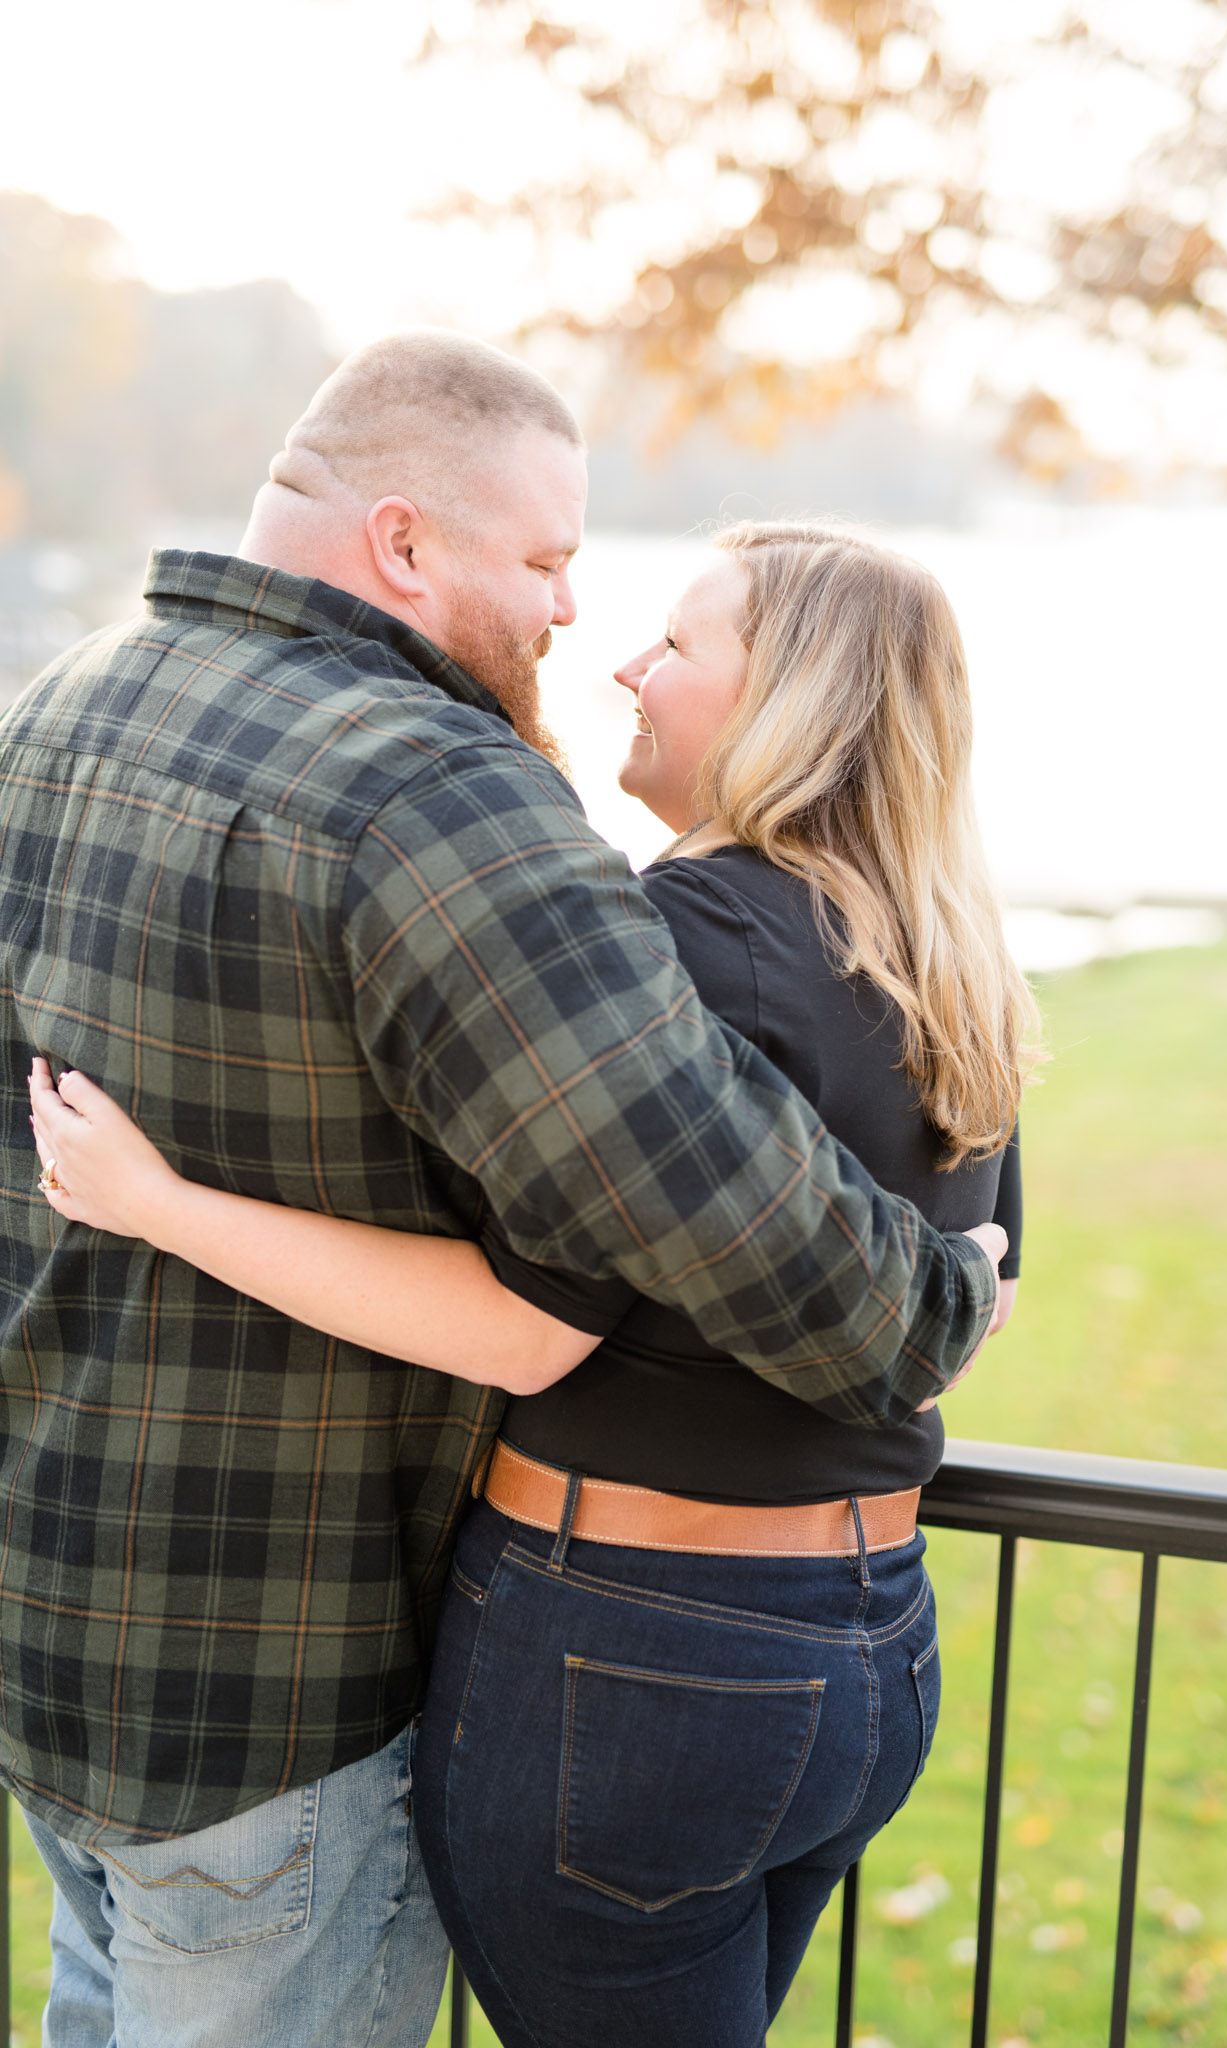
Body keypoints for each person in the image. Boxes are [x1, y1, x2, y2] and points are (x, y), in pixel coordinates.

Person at [0, 334, 1000, 2048]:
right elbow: (738, 1220)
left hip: (62, 1629)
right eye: (544, 563)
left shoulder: (54, 710)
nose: (567, 619)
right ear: (402, 543)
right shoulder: (429, 789)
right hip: (279, 1690)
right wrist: (947, 1297)